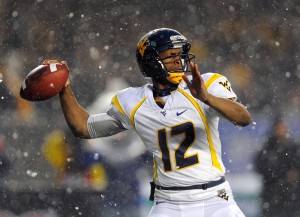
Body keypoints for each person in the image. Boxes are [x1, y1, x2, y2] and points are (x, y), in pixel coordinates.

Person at [50, 28, 252, 217]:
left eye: (180, 54)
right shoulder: (133, 102)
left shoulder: (205, 84)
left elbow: (243, 119)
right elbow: (83, 127)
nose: (179, 59)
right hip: (169, 202)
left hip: (215, 198)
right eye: (171, 54)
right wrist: (64, 88)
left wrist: (208, 98)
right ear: (152, 61)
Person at [255, 116, 300, 217]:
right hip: (272, 197)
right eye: (279, 127)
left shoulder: (294, 147)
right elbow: (260, 167)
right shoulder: (267, 148)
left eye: (283, 127)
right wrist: (282, 174)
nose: (282, 130)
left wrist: (295, 175)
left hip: (292, 199)